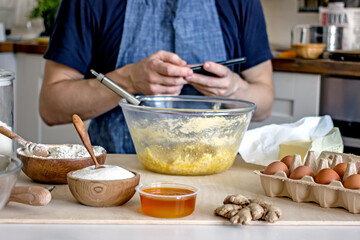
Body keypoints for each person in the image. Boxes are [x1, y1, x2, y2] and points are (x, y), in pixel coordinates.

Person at [39, 0, 274, 153]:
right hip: (117, 176)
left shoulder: (242, 3)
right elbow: (51, 106)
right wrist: (128, 80)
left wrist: (232, 89)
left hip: (216, 175)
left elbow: (264, 104)